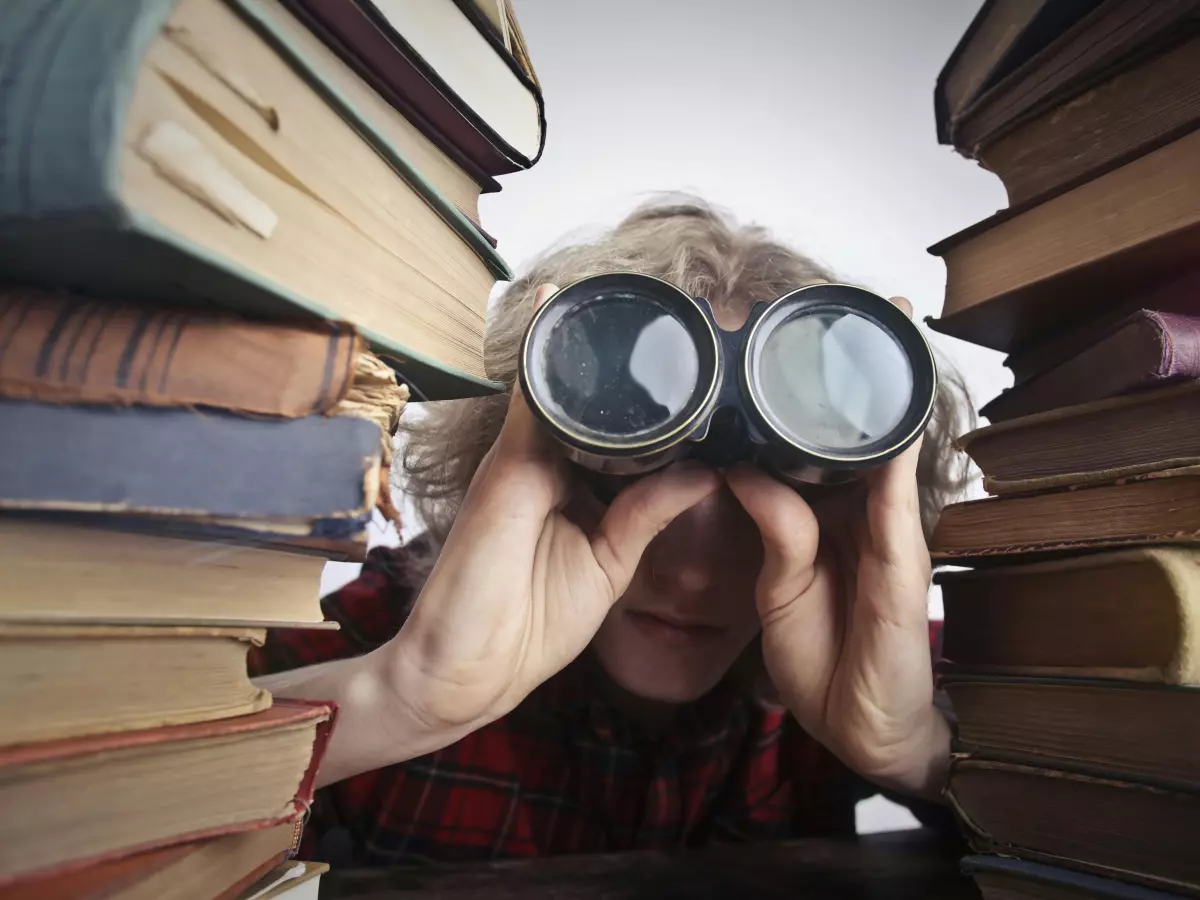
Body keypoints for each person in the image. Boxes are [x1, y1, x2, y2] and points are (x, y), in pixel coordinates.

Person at [251, 196, 972, 866]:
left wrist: (914, 747)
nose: (690, 574)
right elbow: (135, 797)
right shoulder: (375, 637)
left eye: (753, 521)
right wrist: (397, 697)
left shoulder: (866, 652)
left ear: (844, 520)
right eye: (632, 486)